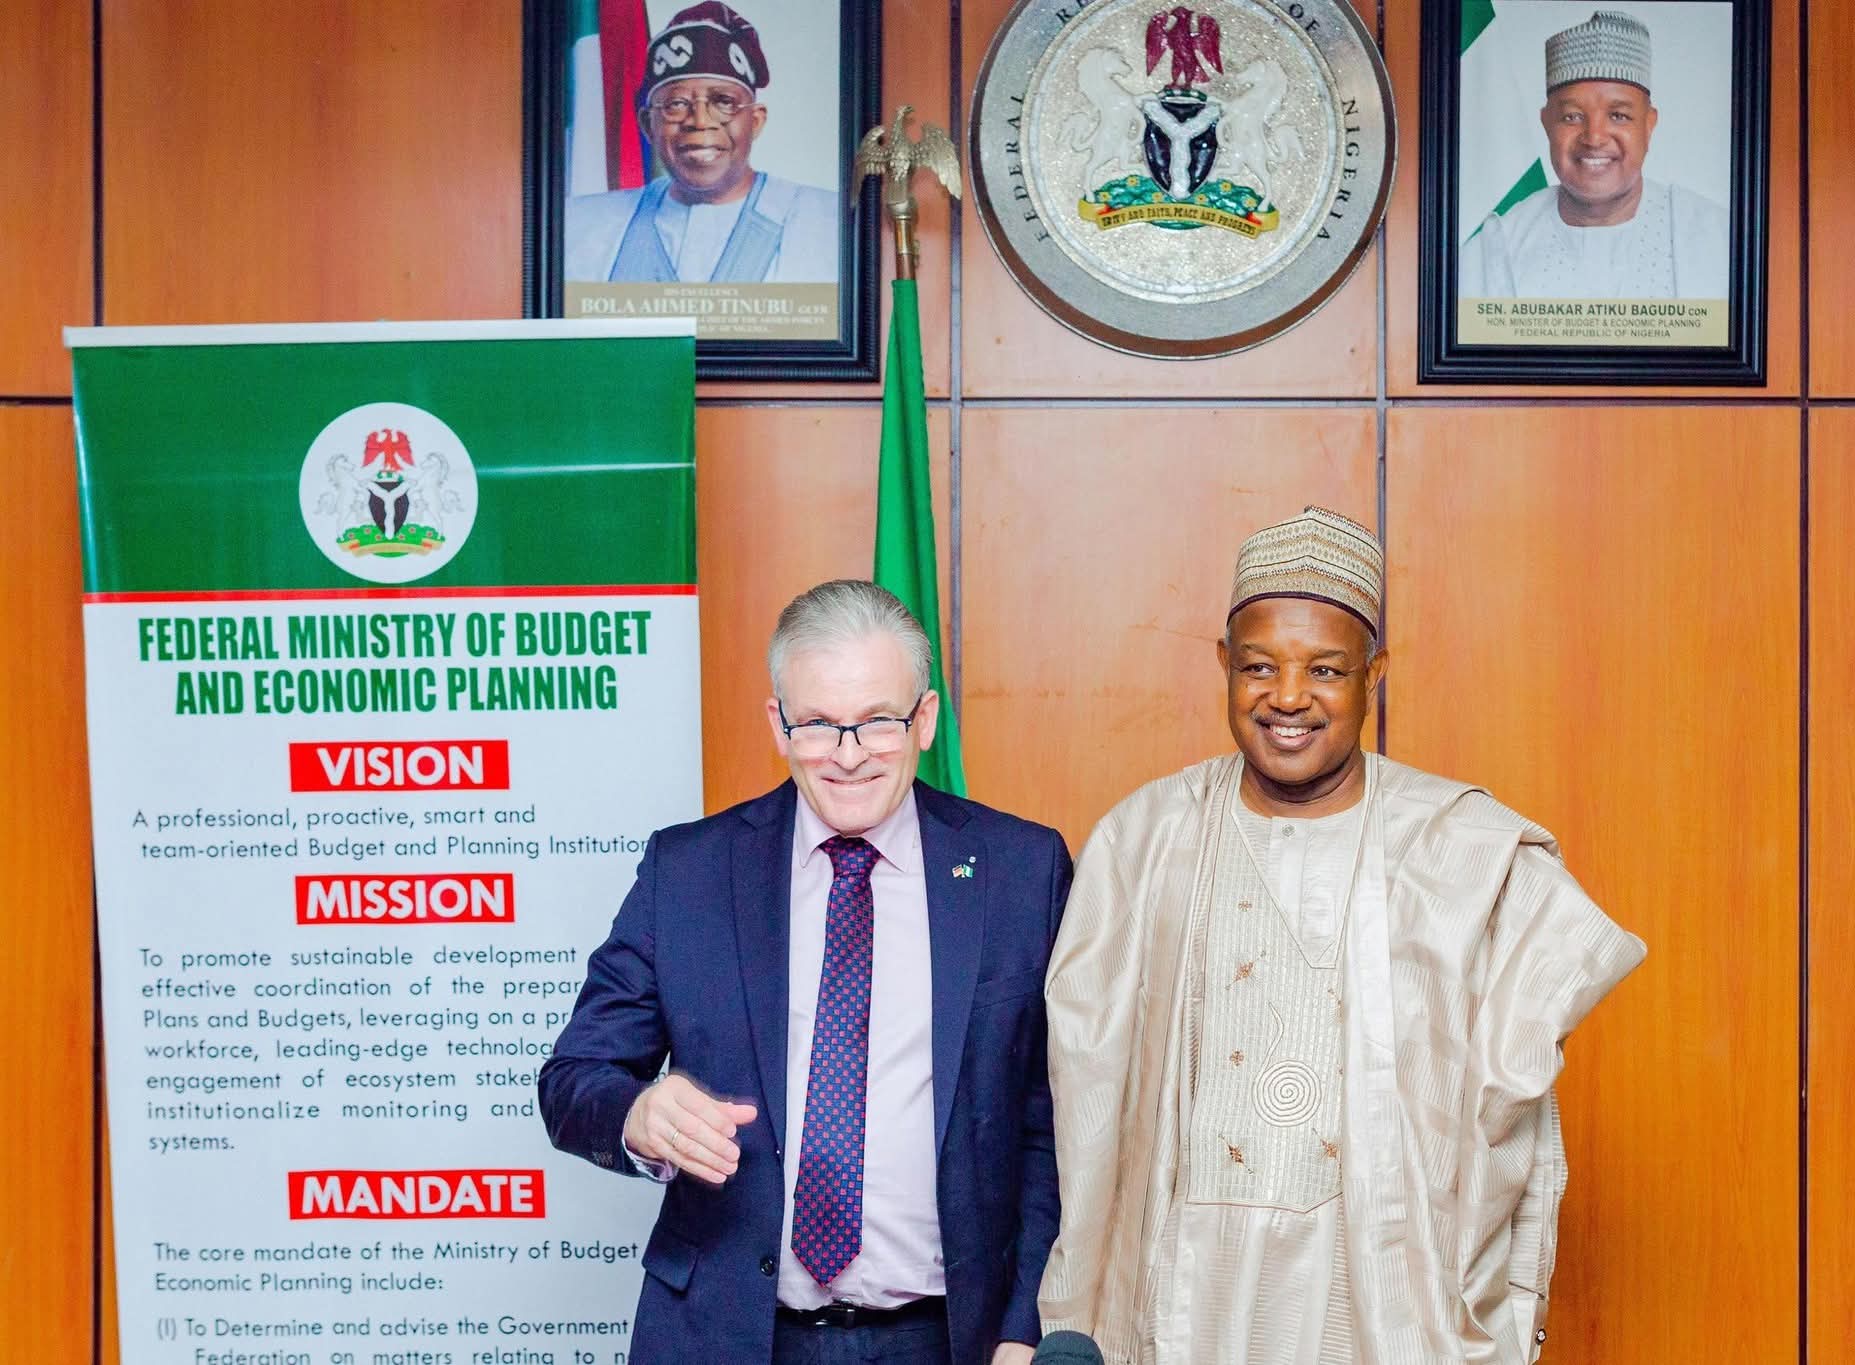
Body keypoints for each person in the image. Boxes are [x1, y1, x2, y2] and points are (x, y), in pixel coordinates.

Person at [1036, 507, 1646, 1364]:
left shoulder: (1463, 846)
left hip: (1378, 1287)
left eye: (1325, 669)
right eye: (1259, 667)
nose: (1288, 696)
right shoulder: (1145, 838)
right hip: (1182, 1282)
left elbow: (1521, 1072)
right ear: (1223, 666)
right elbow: (1085, 1082)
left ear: (1375, 674)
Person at [539, 579, 1069, 1365]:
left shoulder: (1020, 870)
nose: (849, 755)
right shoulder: (687, 871)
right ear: (777, 723)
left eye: (878, 722)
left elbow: (1051, 1126)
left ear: (924, 718)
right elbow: (573, 1076)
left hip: (948, 1336)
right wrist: (639, 1113)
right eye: (818, 724)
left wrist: (1026, 1324)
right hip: (725, 1334)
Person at [563, 2, 840, 285]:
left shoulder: (830, 224)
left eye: (724, 102)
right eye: (676, 104)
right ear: (648, 125)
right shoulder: (580, 227)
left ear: (755, 121)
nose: (700, 120)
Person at [1460, 9, 1727, 299]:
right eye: (1572, 117)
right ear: (1547, 123)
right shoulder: (1498, 247)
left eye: (1619, 116)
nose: (1594, 137)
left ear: (1649, 125)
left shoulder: (1713, 236)